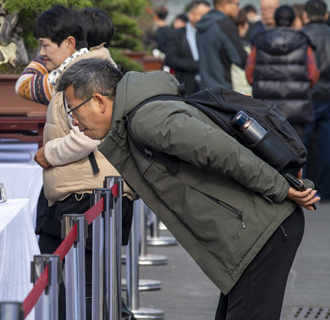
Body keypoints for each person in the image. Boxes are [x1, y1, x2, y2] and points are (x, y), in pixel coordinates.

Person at [56, 57, 320, 320]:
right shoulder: (139, 118)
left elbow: (223, 151)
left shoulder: (148, 119)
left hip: (263, 230)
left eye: (73, 110)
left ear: (99, 101)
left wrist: (279, 187)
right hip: (251, 232)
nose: (75, 122)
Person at [23, 5, 135, 318]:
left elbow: (90, 134)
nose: (42, 52)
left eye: (46, 44)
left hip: (85, 194)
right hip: (87, 190)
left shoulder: (84, 76)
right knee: (92, 289)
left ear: (72, 42)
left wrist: (49, 153)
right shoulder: (89, 69)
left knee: (83, 292)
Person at [245, 5, 319, 139]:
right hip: (297, 111)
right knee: (298, 150)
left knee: (270, 151)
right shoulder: (302, 40)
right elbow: (312, 75)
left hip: (266, 109)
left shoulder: (260, 39)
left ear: (275, 19)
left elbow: (250, 73)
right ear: (293, 20)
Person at [301, 0, 330, 202]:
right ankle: (326, 191)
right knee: (326, 144)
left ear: (305, 15)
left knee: (300, 145)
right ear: (326, 15)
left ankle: (303, 189)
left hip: (306, 96)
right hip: (328, 96)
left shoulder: (300, 37)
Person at [196, 0, 248, 90]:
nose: (238, 8)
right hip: (222, 91)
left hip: (203, 90)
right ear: (224, 4)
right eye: (236, 4)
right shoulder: (225, 25)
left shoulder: (202, 25)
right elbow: (241, 59)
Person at [163, 0, 210, 94]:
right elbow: (169, 59)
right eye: (202, 16)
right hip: (186, 87)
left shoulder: (210, 34)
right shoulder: (177, 35)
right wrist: (195, 65)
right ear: (191, 15)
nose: (206, 19)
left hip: (208, 87)